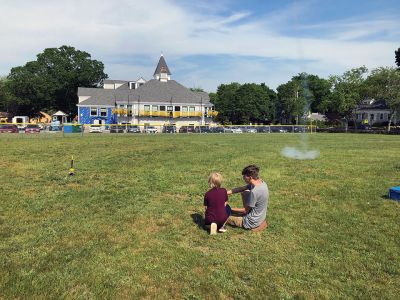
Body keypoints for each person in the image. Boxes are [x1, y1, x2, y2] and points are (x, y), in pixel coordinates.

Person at [226, 165, 269, 231]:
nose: (243, 177)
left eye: (244, 176)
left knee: (222, 215)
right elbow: (243, 188)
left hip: (250, 222)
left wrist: (227, 208)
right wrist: (226, 192)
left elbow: (245, 210)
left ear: (250, 177)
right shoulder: (262, 183)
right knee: (245, 192)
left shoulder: (254, 192)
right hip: (260, 218)